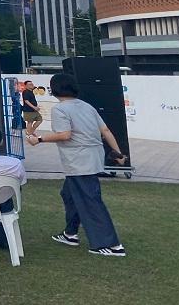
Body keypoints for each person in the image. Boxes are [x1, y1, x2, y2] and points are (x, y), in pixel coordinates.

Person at [27, 73, 128, 257]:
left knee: (91, 200)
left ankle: (111, 244)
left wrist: (38, 139)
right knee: (69, 194)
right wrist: (118, 153)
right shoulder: (87, 106)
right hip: (92, 157)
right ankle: (70, 233)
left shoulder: (60, 110)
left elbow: (65, 135)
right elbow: (105, 130)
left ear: (54, 89)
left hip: (79, 161)